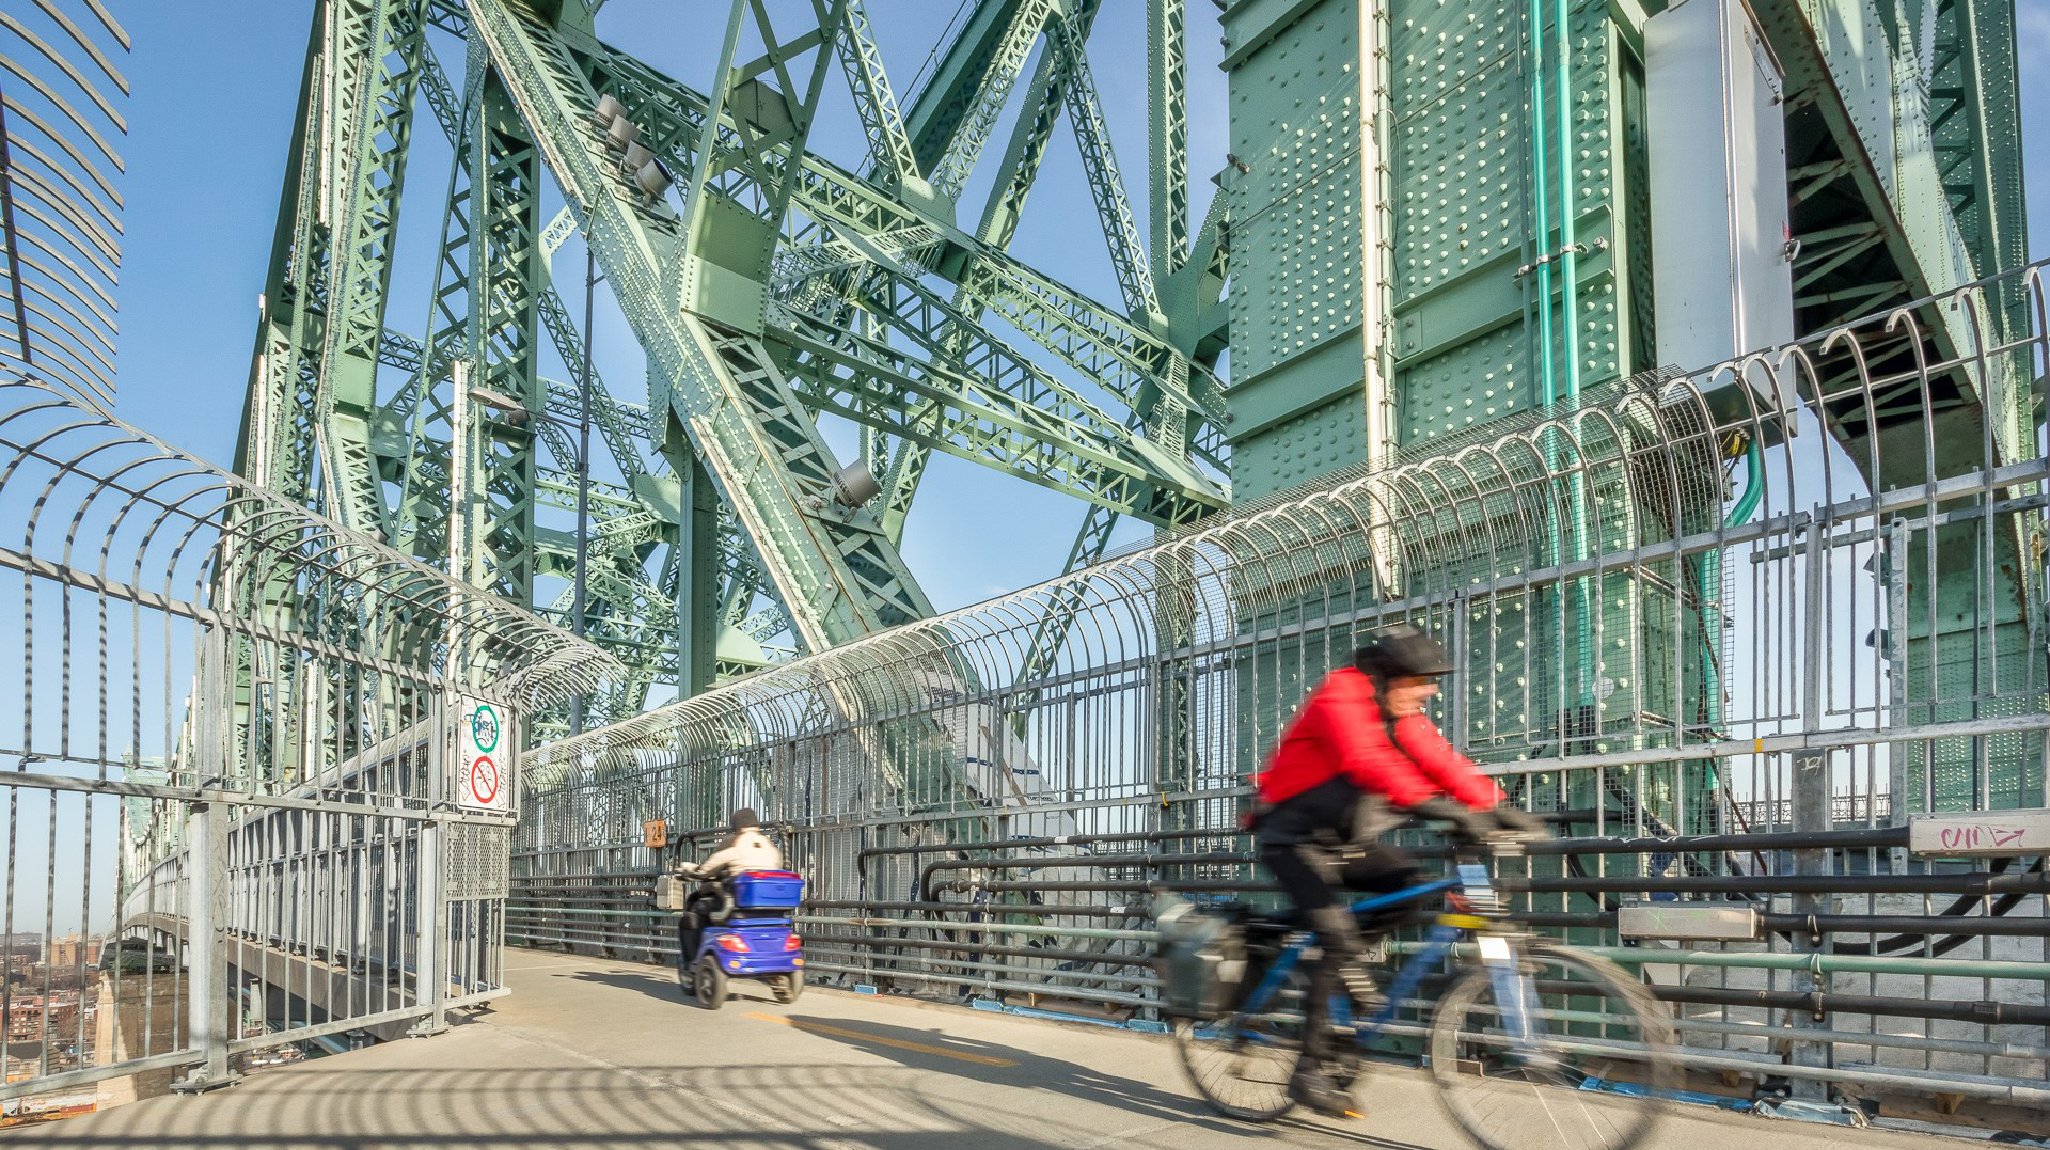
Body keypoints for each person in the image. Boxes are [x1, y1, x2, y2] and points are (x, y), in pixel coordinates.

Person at [1248, 624, 1545, 1118]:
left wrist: (1496, 805)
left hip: (1345, 843)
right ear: (1386, 676)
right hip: (1291, 840)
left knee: (1410, 888)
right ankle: (1307, 1071)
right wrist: (1442, 810)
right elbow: (1366, 760)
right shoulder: (1340, 694)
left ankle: (1340, 967)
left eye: (1430, 681)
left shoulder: (1400, 713)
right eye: (1418, 681)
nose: (1428, 690)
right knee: (1337, 936)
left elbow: (1439, 759)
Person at [677, 808, 783, 963]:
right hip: (771, 910)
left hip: (737, 906)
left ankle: (693, 961)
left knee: (696, 910)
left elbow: (704, 870)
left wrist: (689, 870)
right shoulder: (773, 851)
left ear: (738, 828)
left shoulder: (736, 849)